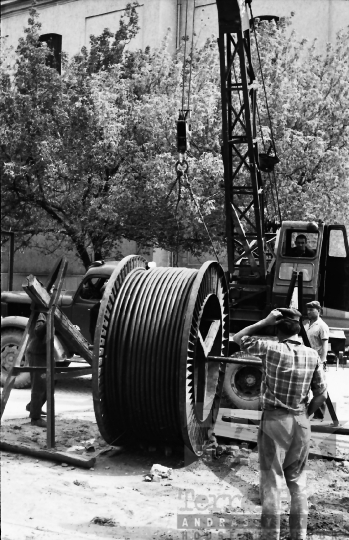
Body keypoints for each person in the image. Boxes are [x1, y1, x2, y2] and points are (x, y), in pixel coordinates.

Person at [233, 308, 327, 540]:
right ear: (299, 329)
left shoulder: (270, 348)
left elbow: (238, 338)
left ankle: (271, 536)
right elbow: (321, 395)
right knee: (297, 482)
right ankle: (299, 536)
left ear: (278, 328)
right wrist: (306, 413)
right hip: (301, 422)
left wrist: (263, 321)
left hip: (275, 421)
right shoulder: (313, 355)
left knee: (272, 481)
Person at [304, 300, 329, 420]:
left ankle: (319, 416)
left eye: (311, 310)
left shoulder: (322, 326)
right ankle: (308, 411)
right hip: (308, 360)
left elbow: (325, 345)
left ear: (318, 311)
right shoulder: (306, 324)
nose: (308, 312)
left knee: (319, 389)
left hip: (317, 361)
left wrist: (323, 361)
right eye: (307, 309)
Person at [26, 312, 48, 428]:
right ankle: (35, 417)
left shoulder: (47, 314)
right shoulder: (42, 314)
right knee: (39, 385)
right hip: (37, 353)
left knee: (50, 383)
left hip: (44, 353)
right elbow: (39, 332)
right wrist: (50, 321)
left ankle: (34, 407)